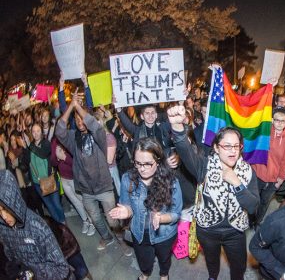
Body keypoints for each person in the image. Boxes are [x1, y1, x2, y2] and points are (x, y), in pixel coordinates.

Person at [167, 105, 259, 280]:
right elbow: (186, 153)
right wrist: (178, 129)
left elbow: (253, 206)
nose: (233, 151)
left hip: (235, 231)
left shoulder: (247, 171)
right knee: (212, 261)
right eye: (227, 146)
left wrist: (237, 183)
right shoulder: (204, 165)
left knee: (238, 267)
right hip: (207, 230)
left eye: (236, 146)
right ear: (216, 147)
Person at [109, 138, 182, 280]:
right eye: (138, 163)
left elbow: (176, 214)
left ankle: (164, 275)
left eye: (148, 164)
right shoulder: (127, 178)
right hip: (140, 232)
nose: (142, 168)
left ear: (158, 161)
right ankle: (145, 273)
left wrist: (161, 218)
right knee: (144, 260)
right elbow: (127, 204)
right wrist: (127, 212)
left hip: (164, 234)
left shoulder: (171, 182)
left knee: (164, 258)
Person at [56, 91, 120, 250]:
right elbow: (59, 131)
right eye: (76, 119)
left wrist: (79, 106)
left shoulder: (98, 134)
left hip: (104, 186)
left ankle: (121, 239)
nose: (79, 121)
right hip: (86, 190)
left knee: (112, 219)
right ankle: (107, 237)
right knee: (96, 218)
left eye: (82, 118)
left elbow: (92, 123)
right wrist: (71, 106)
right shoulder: (72, 138)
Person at [0, 170, 72, 280]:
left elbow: (62, 269)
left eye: (6, 209)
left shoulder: (37, 226)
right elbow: (9, 252)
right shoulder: (3, 227)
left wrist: (32, 270)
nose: (4, 216)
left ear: (13, 202)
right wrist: (14, 265)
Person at [252, 107, 285, 226]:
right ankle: (249, 220)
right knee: (254, 199)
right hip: (258, 172)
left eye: (282, 121)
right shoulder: (265, 132)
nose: (279, 123)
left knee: (264, 202)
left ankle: (257, 222)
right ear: (272, 120)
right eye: (277, 120)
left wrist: (280, 179)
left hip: (273, 179)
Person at [28, 123, 65, 223]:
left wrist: (29, 146)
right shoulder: (30, 145)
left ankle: (63, 222)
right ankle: (59, 224)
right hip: (37, 182)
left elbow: (43, 154)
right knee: (49, 205)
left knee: (56, 204)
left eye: (38, 131)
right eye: (33, 131)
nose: (35, 134)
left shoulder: (46, 144)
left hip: (49, 180)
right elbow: (27, 162)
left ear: (41, 132)